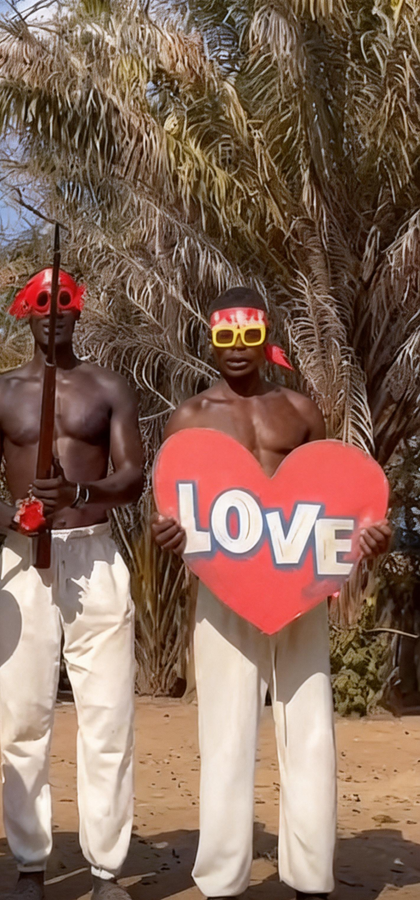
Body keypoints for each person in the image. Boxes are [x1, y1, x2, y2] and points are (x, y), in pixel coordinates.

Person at [149, 287, 392, 899]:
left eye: (249, 336)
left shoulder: (300, 412)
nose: (237, 348)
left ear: (266, 339)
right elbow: (174, 513)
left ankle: (311, 879)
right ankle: (221, 882)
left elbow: (327, 498)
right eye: (226, 337)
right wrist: (167, 534)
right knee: (225, 734)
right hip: (224, 593)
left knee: (309, 730)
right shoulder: (189, 420)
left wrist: (367, 536)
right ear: (211, 340)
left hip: (299, 590)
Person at [0, 270, 144, 900]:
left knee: (107, 716)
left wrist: (78, 492)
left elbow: (133, 477)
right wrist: (11, 518)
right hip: (25, 560)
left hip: (94, 552)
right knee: (23, 716)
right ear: (25, 311)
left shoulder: (107, 387)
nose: (54, 311)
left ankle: (106, 870)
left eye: (65, 300)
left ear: (78, 309)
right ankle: (29, 866)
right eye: (42, 302)